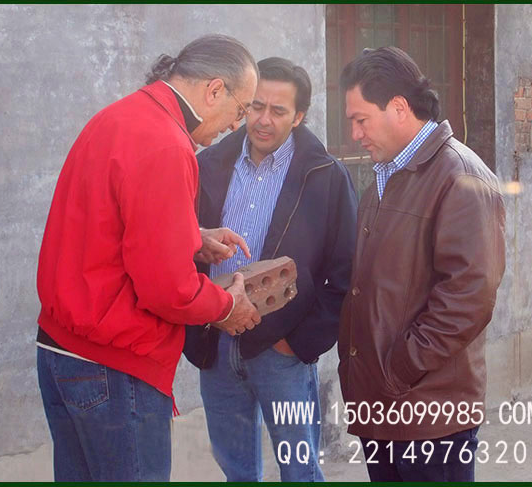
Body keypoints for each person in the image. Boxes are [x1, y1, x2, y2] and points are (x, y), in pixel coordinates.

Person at [35, 34, 262, 482]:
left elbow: (106, 221)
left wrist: (190, 235)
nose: (236, 126)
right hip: (114, 365)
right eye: (240, 111)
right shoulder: (167, 143)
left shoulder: (120, 115)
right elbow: (170, 292)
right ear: (215, 90)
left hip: (60, 350)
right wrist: (227, 307)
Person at [184, 57, 358, 482]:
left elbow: (347, 273)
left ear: (299, 116)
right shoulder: (208, 164)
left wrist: (298, 344)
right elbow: (183, 244)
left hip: (282, 352)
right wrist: (200, 322)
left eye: (278, 111)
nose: (263, 120)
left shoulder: (326, 176)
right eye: (256, 106)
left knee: (300, 471)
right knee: (236, 472)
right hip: (217, 343)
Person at [337, 46, 506, 482]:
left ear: (398, 107)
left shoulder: (460, 177)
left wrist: (400, 369)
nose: (355, 134)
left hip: (430, 411)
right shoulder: (384, 177)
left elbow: (470, 296)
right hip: (382, 404)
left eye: (361, 120)